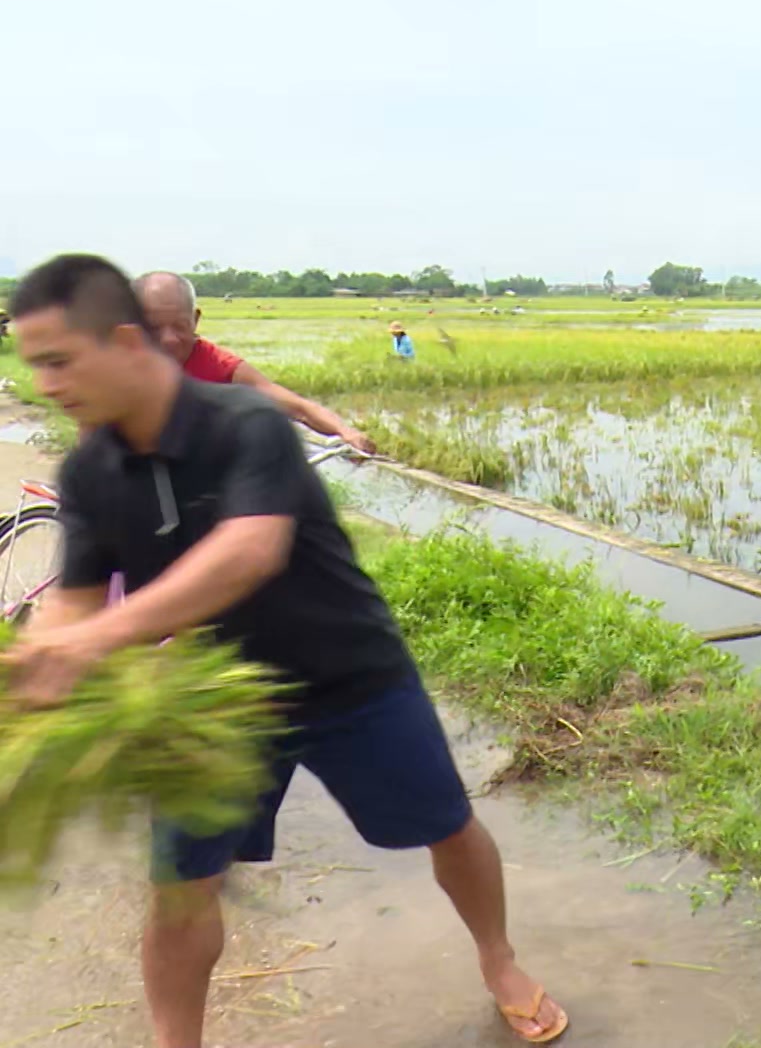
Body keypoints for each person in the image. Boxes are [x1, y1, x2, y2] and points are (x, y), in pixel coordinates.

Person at [2, 255, 567, 1046]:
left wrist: (98, 639)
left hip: (351, 675)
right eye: (34, 364)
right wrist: (35, 665)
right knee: (181, 885)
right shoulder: (92, 469)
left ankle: (499, 958)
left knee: (449, 827)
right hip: (215, 695)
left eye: (59, 360)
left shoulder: (245, 424)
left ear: (125, 342)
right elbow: (74, 600)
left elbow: (250, 551)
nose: (48, 381)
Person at [133, 272, 377, 456]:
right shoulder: (113, 366)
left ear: (195, 320)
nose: (169, 339)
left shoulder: (219, 366)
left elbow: (298, 407)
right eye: (154, 327)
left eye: (180, 326)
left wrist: (346, 432)